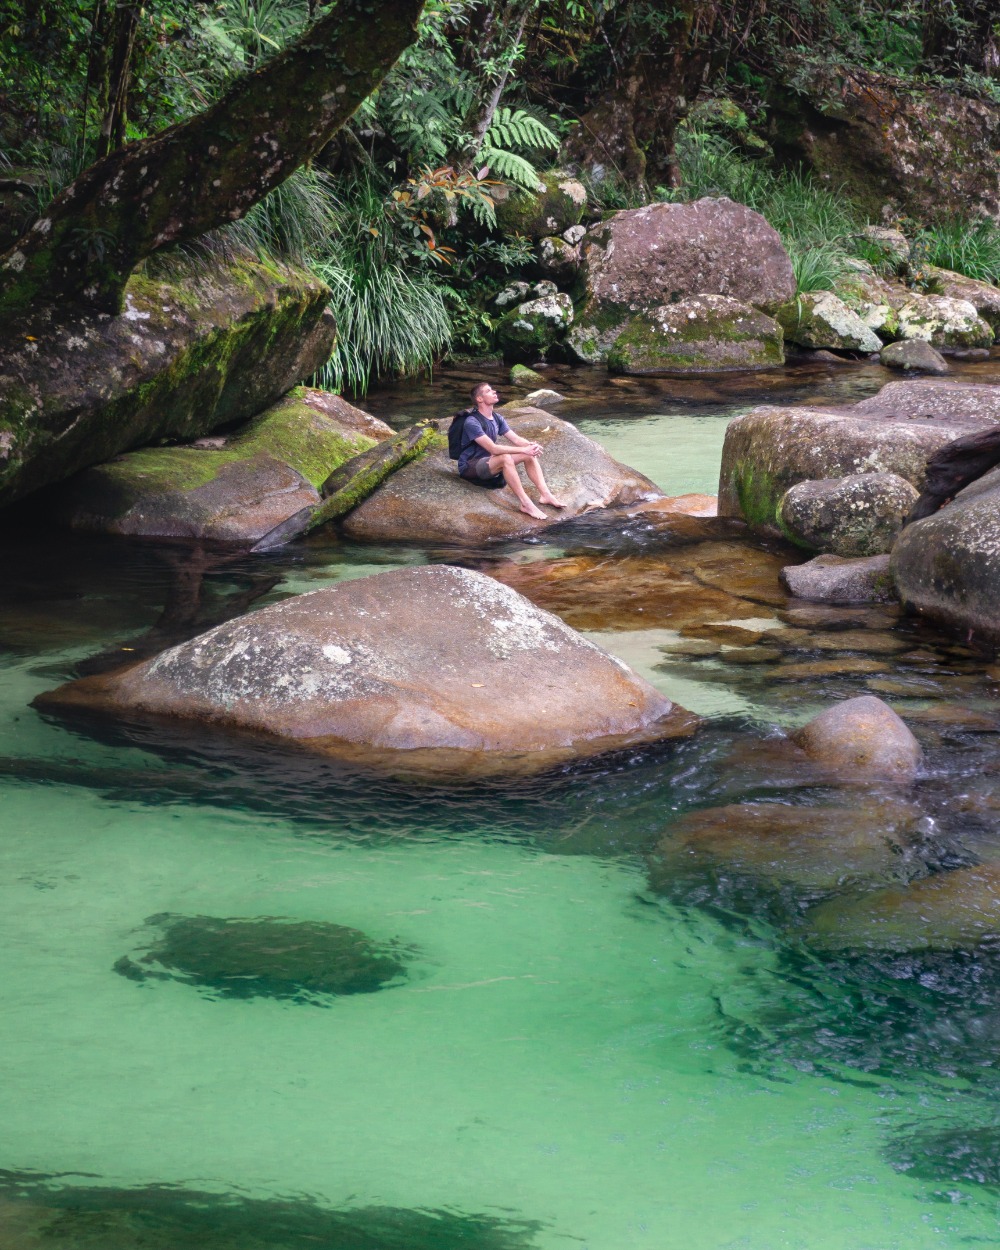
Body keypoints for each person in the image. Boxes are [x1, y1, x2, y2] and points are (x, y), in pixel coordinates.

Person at [457, 382, 566, 520]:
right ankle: (526, 504)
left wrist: (530, 446)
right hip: (470, 466)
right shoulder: (472, 422)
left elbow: (516, 439)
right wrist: (524, 449)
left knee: (529, 455)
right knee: (505, 458)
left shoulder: (497, 418)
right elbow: (493, 449)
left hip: (489, 462)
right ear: (479, 399)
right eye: (489, 391)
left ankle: (546, 495)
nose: (494, 392)